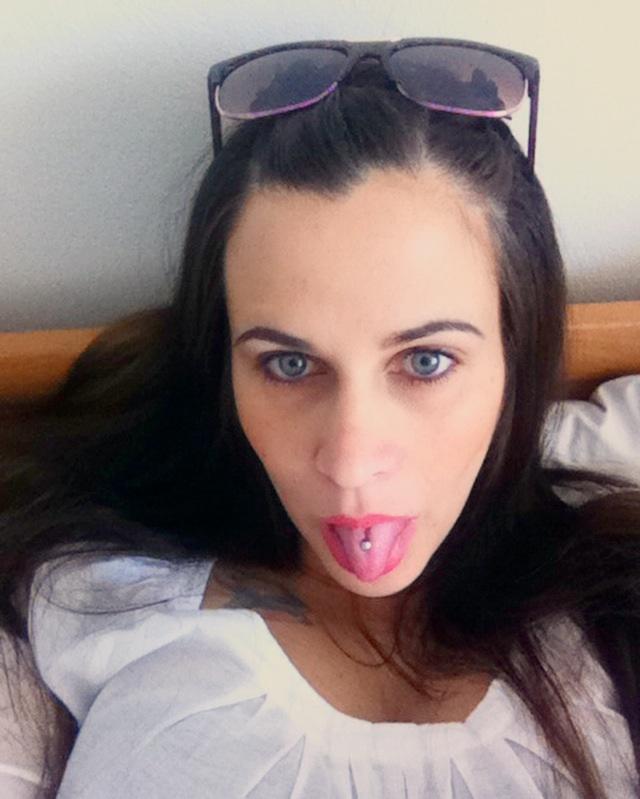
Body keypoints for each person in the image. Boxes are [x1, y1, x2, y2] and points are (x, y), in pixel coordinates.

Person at [1, 38, 639, 799]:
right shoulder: (74, 594)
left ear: (515, 356)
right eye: (289, 365)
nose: (350, 460)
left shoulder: (617, 606)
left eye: (426, 361)